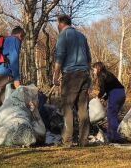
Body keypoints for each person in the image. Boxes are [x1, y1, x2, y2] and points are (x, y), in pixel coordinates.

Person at [52, 15, 92, 147]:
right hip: (85, 73)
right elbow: (89, 59)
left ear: (61, 23)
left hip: (71, 75)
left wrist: (56, 76)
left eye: (57, 24)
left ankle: (67, 140)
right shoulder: (82, 36)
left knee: (67, 106)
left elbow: (59, 57)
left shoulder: (63, 35)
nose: (57, 26)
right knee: (83, 108)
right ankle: (84, 140)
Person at [0, 26, 25, 106]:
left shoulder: (4, 41)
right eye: (22, 38)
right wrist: (16, 78)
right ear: (20, 35)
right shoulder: (15, 40)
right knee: (9, 104)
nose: (22, 40)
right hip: (4, 75)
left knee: (0, 103)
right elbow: (14, 58)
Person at [92, 62, 126, 143]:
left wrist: (98, 97)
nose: (93, 72)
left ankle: (117, 137)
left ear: (98, 68)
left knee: (111, 115)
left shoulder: (101, 76)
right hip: (121, 93)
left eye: (94, 69)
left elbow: (103, 90)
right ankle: (110, 135)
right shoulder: (108, 74)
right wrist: (104, 98)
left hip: (115, 94)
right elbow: (110, 88)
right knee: (112, 115)